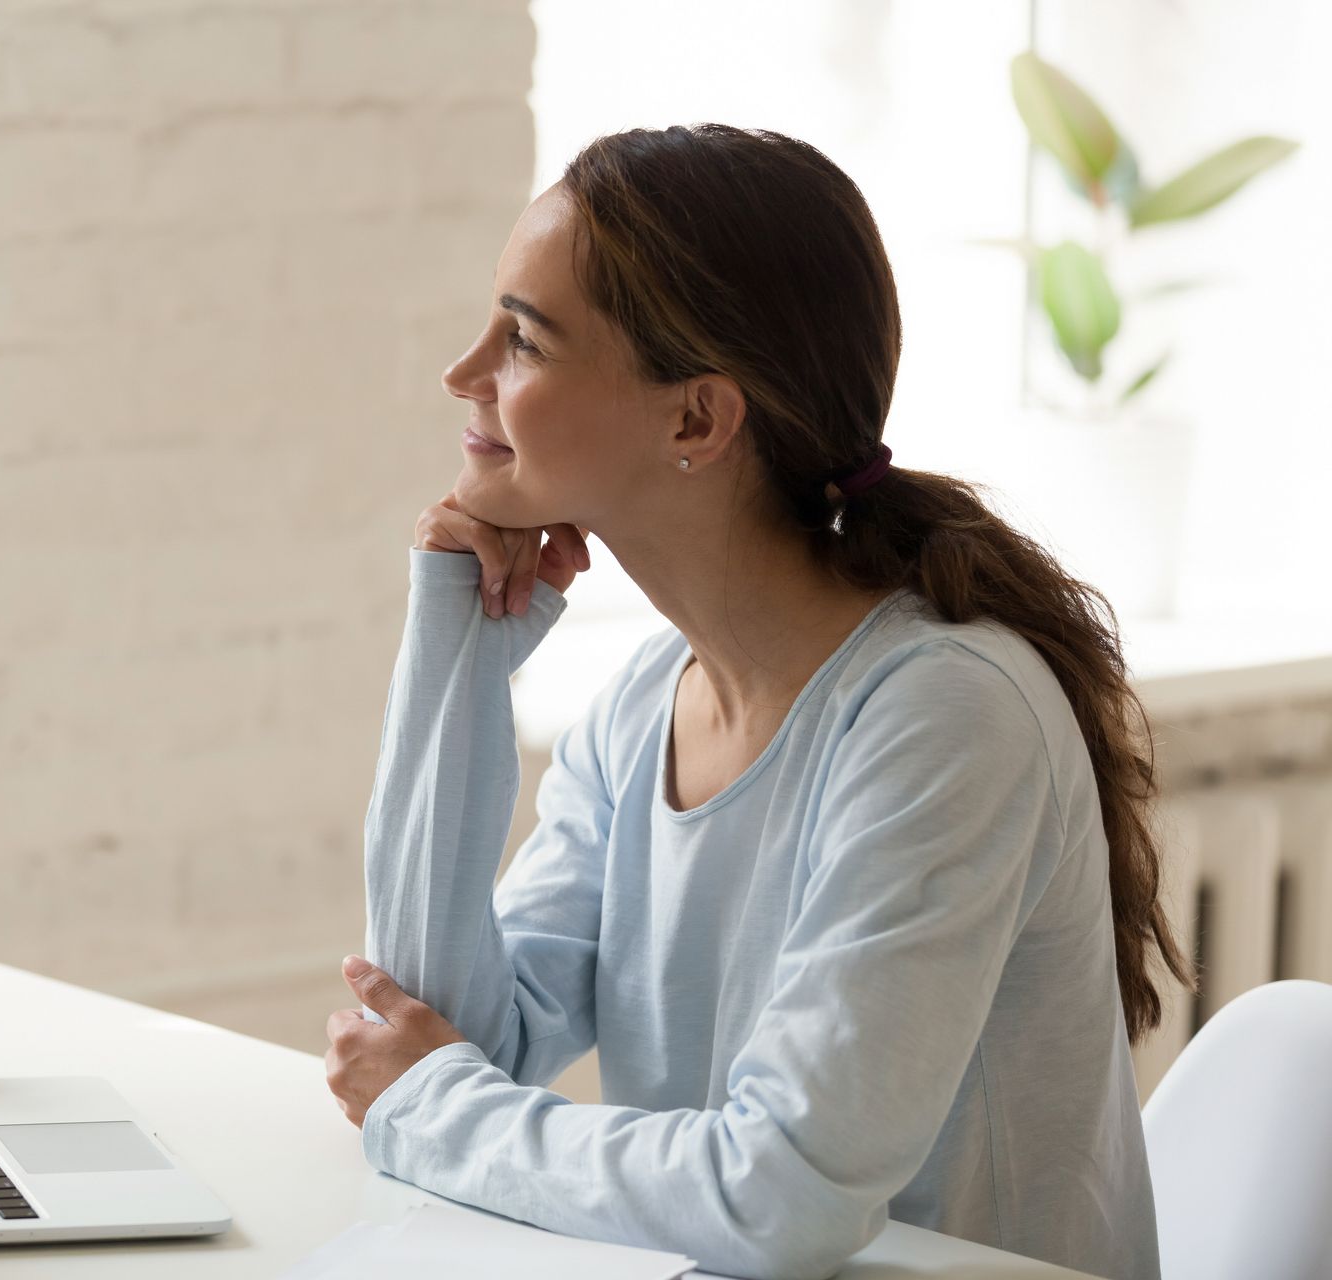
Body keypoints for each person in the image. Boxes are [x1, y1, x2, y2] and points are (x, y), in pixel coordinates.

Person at [320, 123, 1189, 1280]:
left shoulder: (943, 717)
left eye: (524, 339)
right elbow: (438, 1028)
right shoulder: (643, 709)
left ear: (696, 419)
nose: (465, 371)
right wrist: (457, 658)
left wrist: (430, 1105)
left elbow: (781, 1192)